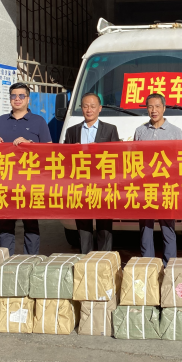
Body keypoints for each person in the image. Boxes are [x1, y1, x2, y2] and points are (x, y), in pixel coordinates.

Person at [0, 82, 52, 255]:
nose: (17, 99)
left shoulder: (38, 121)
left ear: (28, 99)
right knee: (6, 224)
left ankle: (29, 260)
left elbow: (49, 150)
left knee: (30, 223)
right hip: (5, 179)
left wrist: (30, 144)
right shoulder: (1, 120)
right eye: (13, 96)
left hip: (30, 181)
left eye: (21, 96)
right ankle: (5, 259)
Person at [62, 92, 120, 253]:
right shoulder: (72, 131)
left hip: (103, 184)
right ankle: (85, 257)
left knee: (104, 225)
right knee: (83, 224)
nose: (89, 110)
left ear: (100, 108)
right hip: (80, 184)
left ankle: (104, 258)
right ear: (81, 108)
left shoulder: (110, 129)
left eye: (93, 106)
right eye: (85, 106)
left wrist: (100, 151)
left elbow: (117, 157)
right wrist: (72, 151)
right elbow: (64, 158)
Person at [133, 93, 182, 266]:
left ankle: (169, 265)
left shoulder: (175, 132)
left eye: (157, 106)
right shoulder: (140, 131)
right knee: (145, 228)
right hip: (146, 187)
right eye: (150, 107)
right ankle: (148, 265)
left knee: (168, 227)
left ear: (164, 108)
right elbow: (136, 159)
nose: (153, 110)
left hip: (166, 187)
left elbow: (180, 160)